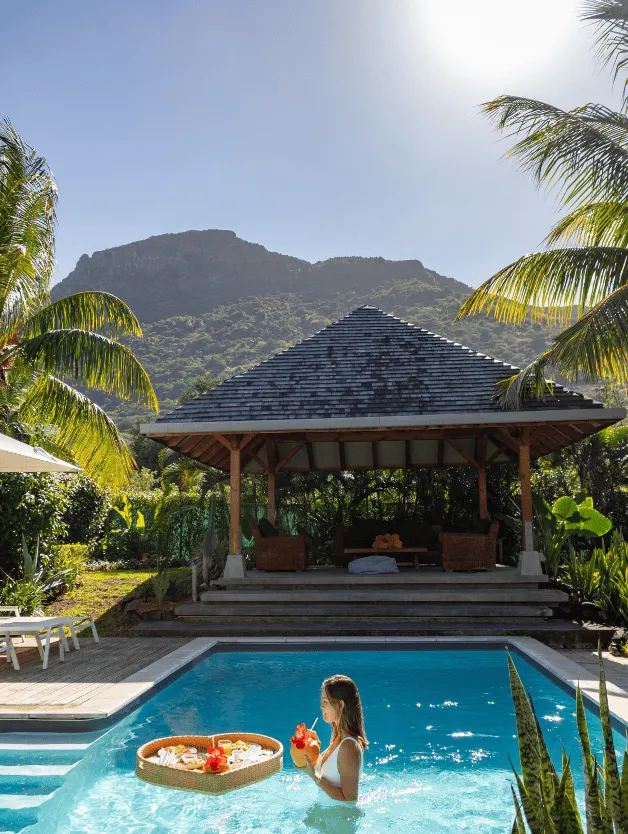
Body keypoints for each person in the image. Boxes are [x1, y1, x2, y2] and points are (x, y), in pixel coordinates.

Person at [292, 674, 368, 805]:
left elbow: (350, 800)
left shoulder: (349, 746)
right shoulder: (338, 736)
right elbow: (324, 769)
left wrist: (315, 778)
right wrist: (311, 748)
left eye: (325, 702)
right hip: (327, 817)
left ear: (340, 705)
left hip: (340, 822)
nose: (321, 706)